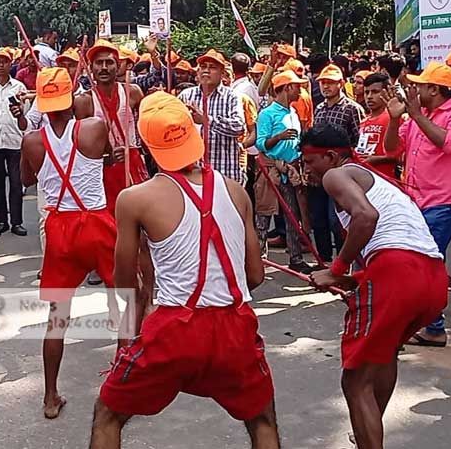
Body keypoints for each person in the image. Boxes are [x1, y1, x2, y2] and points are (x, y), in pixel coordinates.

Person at [92, 92, 277, 449]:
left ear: (147, 144)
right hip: (235, 326)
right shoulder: (237, 191)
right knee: (263, 420)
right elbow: (255, 277)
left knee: (108, 414)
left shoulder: (135, 198)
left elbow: (125, 283)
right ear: (194, 136)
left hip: (174, 327)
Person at [301, 124, 446, 449]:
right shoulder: (370, 176)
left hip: (399, 273)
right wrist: (353, 280)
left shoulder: (336, 175)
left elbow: (367, 216)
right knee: (383, 356)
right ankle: (368, 431)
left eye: (310, 162)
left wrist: (336, 271)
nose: (307, 170)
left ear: (331, 155)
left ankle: (369, 436)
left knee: (354, 381)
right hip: (433, 278)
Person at [20, 67, 115, 419]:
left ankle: (49, 396)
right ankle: (122, 384)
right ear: (70, 98)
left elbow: (26, 179)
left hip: (60, 224)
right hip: (96, 221)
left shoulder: (31, 140)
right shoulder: (92, 128)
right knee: (122, 298)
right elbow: (107, 154)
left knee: (57, 317)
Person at [382, 61, 451, 347]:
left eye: (421, 86)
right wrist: (397, 119)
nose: (415, 90)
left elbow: (449, 143)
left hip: (444, 201)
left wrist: (414, 116)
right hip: (415, 200)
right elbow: (391, 149)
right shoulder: (417, 115)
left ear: (435, 90)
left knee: (425, 262)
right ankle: (426, 322)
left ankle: (433, 327)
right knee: (424, 261)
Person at [75, 39, 148, 212]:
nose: (104, 68)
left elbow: (146, 127)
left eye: (109, 62)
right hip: (102, 169)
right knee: (110, 220)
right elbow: (81, 146)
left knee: (140, 217)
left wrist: (139, 151)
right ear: (91, 68)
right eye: (99, 63)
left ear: (118, 66)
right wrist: (107, 157)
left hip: (133, 163)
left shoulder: (133, 91)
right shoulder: (84, 101)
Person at [256, 70, 312, 274]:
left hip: (291, 170)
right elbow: (261, 143)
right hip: (271, 169)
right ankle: (259, 258)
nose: (300, 90)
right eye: (297, 86)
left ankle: (295, 258)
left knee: (292, 215)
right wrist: (278, 137)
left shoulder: (293, 113)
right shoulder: (267, 114)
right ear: (287, 88)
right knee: (264, 214)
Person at [308, 63, 364, 263]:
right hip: (319, 173)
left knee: (338, 221)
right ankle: (324, 261)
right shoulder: (320, 108)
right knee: (319, 219)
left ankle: (343, 262)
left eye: (330, 83)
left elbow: (359, 141)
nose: (326, 87)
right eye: (323, 83)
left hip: (342, 174)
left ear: (340, 84)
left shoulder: (352, 109)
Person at [177, 49, 246, 184]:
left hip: (224, 172)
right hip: (193, 173)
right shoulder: (186, 96)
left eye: (212, 67)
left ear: (222, 73)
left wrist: (206, 120)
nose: (206, 71)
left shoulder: (231, 96)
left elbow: (239, 127)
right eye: (203, 67)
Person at [0, 47, 28, 235]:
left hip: (15, 140)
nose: (1, 65)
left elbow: (25, 115)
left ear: (10, 64)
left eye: (5, 61)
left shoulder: (19, 87)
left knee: (17, 184)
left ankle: (16, 221)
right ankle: (1, 220)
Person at [355, 72, 400, 180]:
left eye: (375, 92)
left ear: (386, 92)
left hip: (386, 181)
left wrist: (376, 159)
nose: (369, 97)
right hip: (365, 180)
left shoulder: (394, 119)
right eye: (367, 92)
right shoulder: (363, 122)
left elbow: (401, 156)